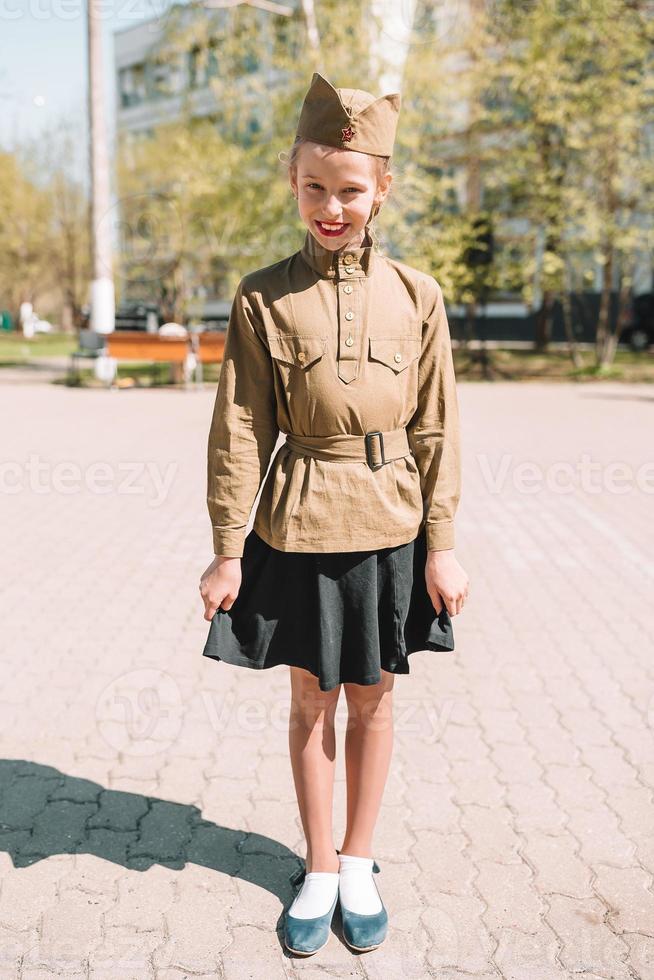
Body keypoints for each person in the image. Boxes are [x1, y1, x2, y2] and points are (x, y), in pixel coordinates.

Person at [199, 71, 469, 956]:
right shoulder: (262, 295)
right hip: (301, 521)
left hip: (391, 526)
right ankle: (318, 871)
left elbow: (437, 425)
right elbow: (240, 426)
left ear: (382, 189)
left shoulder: (419, 294)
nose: (331, 206)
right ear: (292, 179)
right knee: (312, 699)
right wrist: (227, 549)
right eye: (314, 187)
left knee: (374, 699)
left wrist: (445, 546)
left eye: (350, 190)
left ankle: (360, 859)